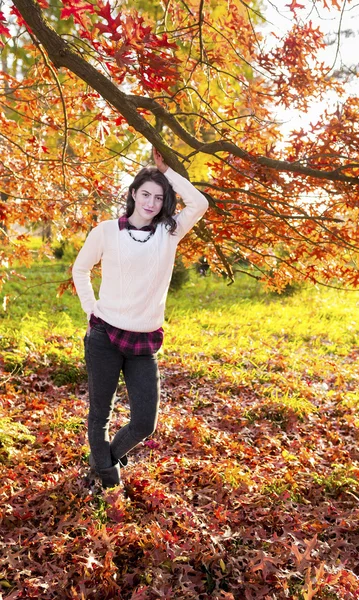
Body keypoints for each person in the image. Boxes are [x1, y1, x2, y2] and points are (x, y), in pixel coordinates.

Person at [72, 148, 208, 488]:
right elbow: (81, 269)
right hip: (104, 336)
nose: (151, 202)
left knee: (145, 422)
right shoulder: (106, 231)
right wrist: (92, 309)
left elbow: (200, 204)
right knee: (99, 414)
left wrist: (169, 172)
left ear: (164, 202)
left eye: (159, 197)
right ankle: (108, 478)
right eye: (145, 194)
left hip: (143, 341)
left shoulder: (169, 233)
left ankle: (104, 458)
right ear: (133, 194)